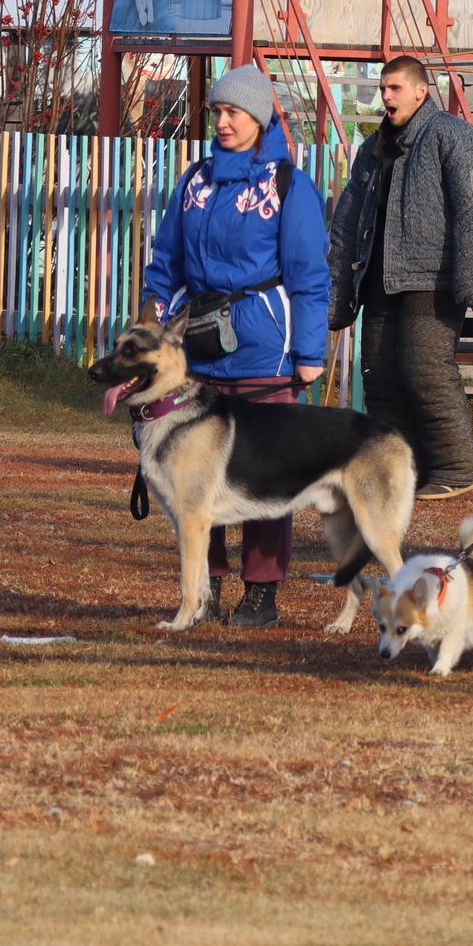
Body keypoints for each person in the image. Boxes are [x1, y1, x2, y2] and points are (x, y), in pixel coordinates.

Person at [140, 63, 329, 629]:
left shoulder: (287, 185)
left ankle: (263, 592)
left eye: (233, 113)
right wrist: (154, 311)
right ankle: (206, 587)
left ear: (260, 117)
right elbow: (166, 257)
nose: (222, 121)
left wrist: (310, 354)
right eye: (217, 112)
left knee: (267, 473)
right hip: (197, 346)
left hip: (263, 346)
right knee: (195, 474)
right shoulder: (195, 181)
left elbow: (309, 274)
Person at [326, 56, 473, 499]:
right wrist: (337, 295)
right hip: (379, 277)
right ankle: (400, 472)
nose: (385, 96)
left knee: (423, 370)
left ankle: (455, 467)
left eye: (394, 88)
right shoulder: (374, 150)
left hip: (434, 278)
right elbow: (348, 222)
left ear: (420, 91)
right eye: (383, 88)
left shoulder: (455, 137)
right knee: (379, 377)